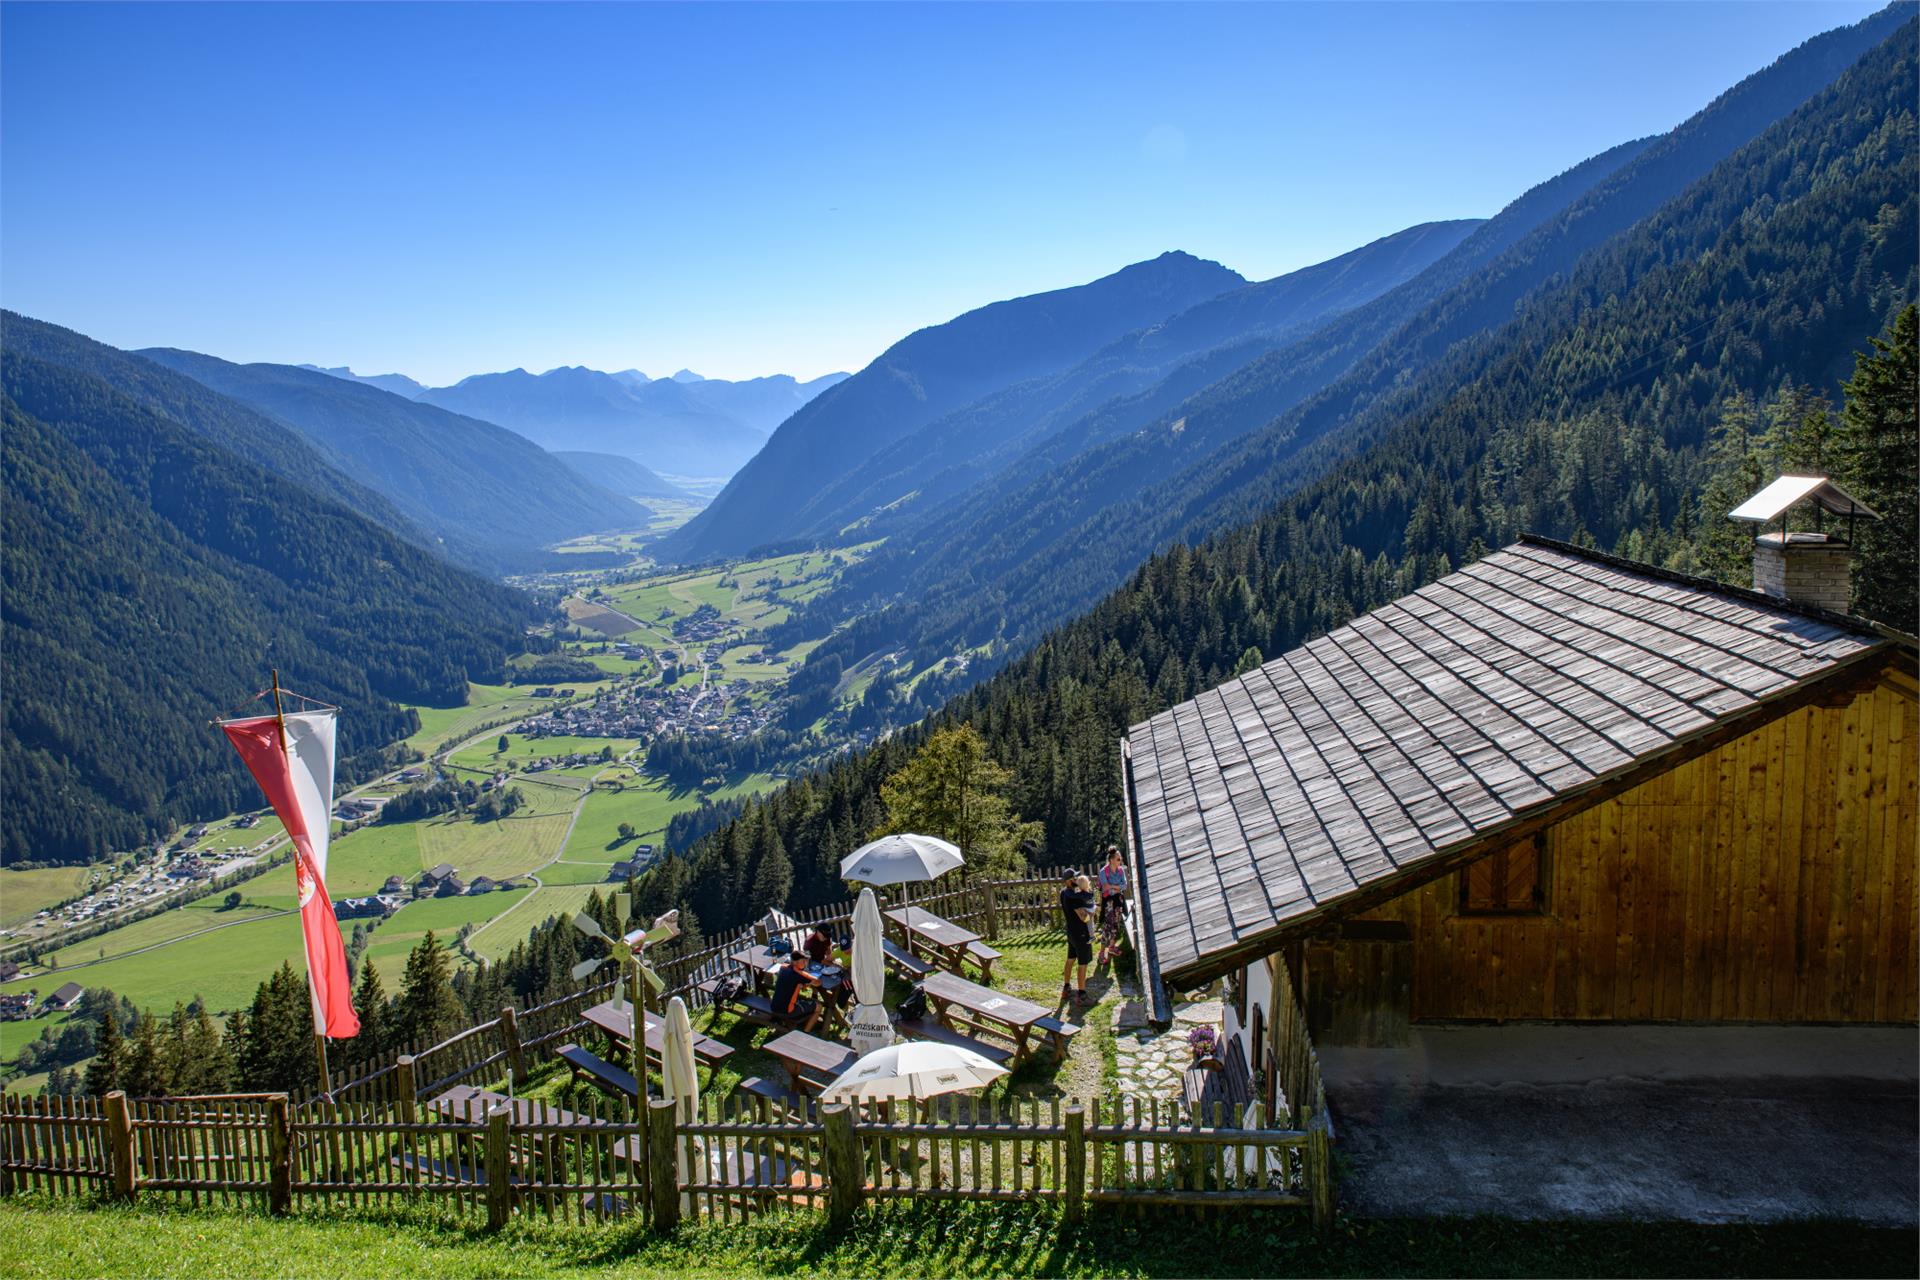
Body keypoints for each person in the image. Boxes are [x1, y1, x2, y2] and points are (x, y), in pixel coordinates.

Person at [1059, 873, 1096, 1006]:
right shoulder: (1075, 899)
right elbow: (1084, 917)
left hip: (1070, 932)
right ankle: (1082, 995)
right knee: (1082, 963)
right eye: (1073, 878)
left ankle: (1066, 988)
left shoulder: (1063, 893)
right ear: (1068, 881)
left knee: (1070, 959)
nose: (1076, 880)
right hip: (1081, 934)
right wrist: (1092, 913)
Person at [771, 949, 823, 1032]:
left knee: (801, 999)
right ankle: (806, 1032)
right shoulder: (799, 975)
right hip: (787, 1010)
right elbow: (818, 983)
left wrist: (803, 983)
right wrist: (807, 979)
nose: (805, 963)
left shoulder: (783, 967)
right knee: (818, 1006)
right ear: (795, 962)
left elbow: (794, 982)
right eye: (803, 961)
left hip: (774, 1006)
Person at [1096, 845, 1129, 965]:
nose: (1120, 861)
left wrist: (1113, 887)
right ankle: (1101, 953)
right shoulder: (1103, 871)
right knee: (1107, 927)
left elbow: (1124, 886)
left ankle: (1112, 947)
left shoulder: (1121, 870)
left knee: (1116, 925)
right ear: (1111, 860)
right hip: (1108, 902)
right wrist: (1117, 888)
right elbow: (1105, 888)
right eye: (1118, 859)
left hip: (1118, 901)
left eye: (1121, 859)